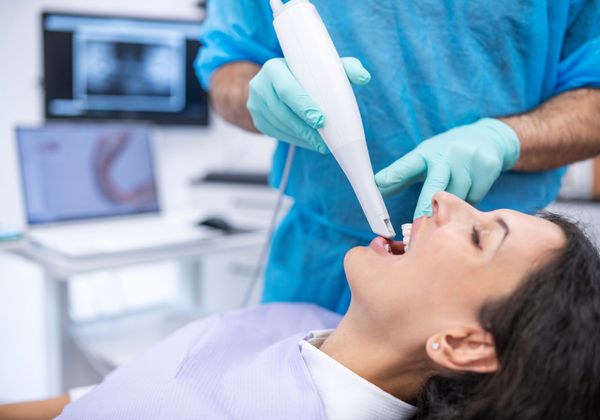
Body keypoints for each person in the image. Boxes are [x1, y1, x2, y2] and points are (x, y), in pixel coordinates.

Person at [4, 193, 599, 419]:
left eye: (477, 235)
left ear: (465, 343)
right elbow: (107, 397)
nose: (445, 199)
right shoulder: (295, 322)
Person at [197, 0, 600, 313]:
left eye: (481, 235)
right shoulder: (263, 356)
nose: (439, 208)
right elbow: (228, 66)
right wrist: (258, 96)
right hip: (316, 257)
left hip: (489, 289)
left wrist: (506, 139)